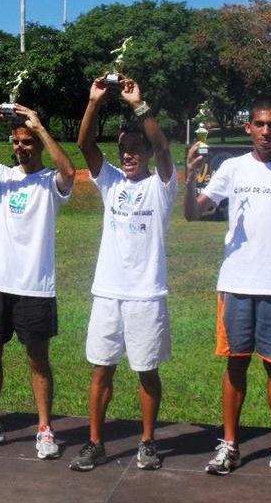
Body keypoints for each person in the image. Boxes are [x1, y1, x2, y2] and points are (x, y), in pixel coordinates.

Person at [184, 96, 271, 479]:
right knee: (236, 361)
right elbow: (194, 212)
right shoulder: (232, 168)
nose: (266, 131)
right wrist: (191, 177)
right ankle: (229, 445)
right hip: (237, 282)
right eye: (259, 124)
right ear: (248, 128)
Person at [0, 103, 75, 459]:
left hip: (34, 286)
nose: (21, 147)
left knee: (37, 357)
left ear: (37, 142)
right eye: (17, 141)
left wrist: (40, 127)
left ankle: (44, 430)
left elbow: (71, 171)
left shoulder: (49, 181)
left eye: (28, 141)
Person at [69, 75, 177, 472]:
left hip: (146, 294)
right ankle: (95, 442)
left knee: (146, 371)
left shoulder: (162, 185)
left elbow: (164, 147)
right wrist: (94, 101)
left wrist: (139, 105)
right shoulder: (110, 181)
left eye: (136, 150)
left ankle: (148, 442)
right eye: (124, 150)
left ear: (146, 153)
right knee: (102, 369)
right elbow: (84, 145)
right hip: (108, 293)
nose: (129, 155)